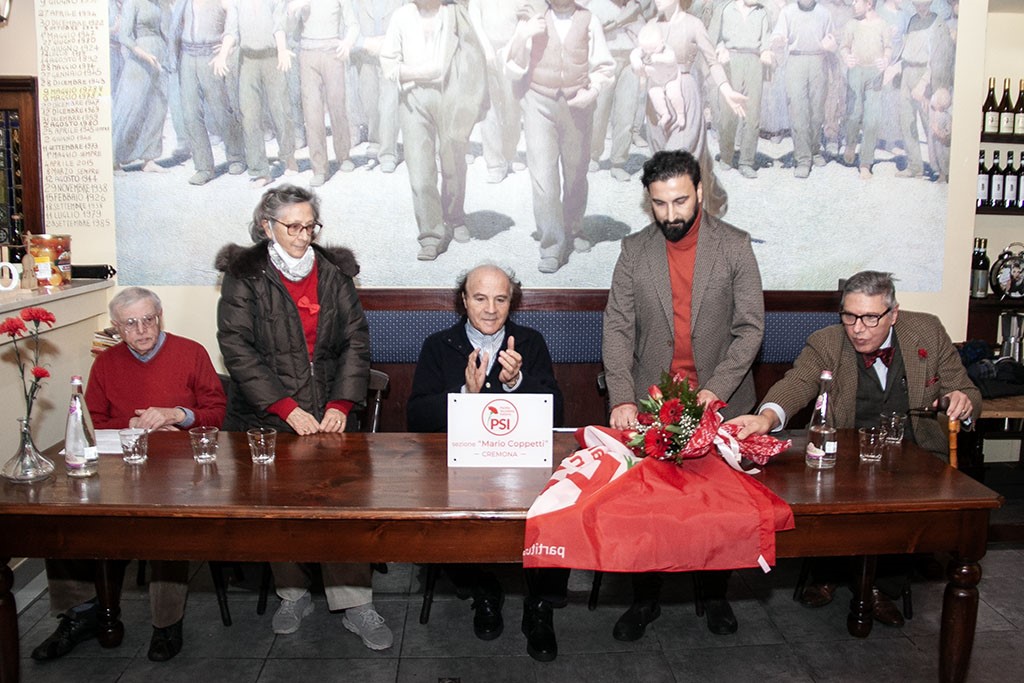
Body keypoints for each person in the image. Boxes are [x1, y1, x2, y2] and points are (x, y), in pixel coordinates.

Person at [726, 270, 981, 625]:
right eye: (849, 316)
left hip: (915, 457)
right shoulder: (827, 342)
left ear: (893, 314)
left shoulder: (927, 332)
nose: (858, 329)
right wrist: (766, 418)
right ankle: (830, 571)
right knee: (833, 492)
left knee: (904, 503)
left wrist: (961, 402)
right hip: (845, 458)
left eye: (870, 318)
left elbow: (967, 392)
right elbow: (797, 383)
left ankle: (883, 586)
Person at [215, 185, 393, 651]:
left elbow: (356, 341)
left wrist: (340, 404)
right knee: (281, 513)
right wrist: (286, 408)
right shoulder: (245, 275)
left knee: (344, 510)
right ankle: (292, 595)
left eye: (310, 226)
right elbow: (237, 348)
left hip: (330, 415)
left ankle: (356, 604)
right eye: (292, 226)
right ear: (266, 226)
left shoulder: (333, 272)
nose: (302, 235)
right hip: (269, 417)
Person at [602, 148, 764, 640]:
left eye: (679, 201)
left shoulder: (735, 246)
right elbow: (617, 329)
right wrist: (622, 396)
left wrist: (715, 390)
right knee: (649, 510)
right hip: (652, 403)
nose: (670, 214)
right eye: (659, 204)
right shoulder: (634, 251)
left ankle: (714, 594)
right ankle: (644, 600)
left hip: (721, 400)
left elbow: (750, 329)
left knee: (717, 508)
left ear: (699, 191)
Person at [30, 287, 226, 664]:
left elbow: (217, 411)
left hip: (179, 469)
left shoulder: (190, 352)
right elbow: (92, 420)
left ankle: (166, 623)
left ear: (159, 317)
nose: (142, 330)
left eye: (149, 319)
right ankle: (81, 613)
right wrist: (132, 426)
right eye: (131, 323)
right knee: (63, 518)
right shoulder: (106, 363)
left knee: (166, 524)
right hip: (120, 466)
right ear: (117, 328)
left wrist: (176, 415)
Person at [407, 263, 564, 650]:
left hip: (521, 462)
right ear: (464, 300)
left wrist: (517, 384)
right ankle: (483, 589)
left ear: (512, 303)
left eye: (500, 299)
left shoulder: (530, 342)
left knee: (560, 505)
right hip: (459, 467)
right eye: (480, 298)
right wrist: (465, 395)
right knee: (435, 516)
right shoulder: (438, 345)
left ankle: (540, 604)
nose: (491, 309)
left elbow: (557, 413)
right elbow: (417, 416)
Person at [505, 0, 615, 274]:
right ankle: (552, 245)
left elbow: (604, 66)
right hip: (539, 104)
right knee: (543, 178)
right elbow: (512, 67)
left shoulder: (589, 19)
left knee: (576, 173)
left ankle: (573, 228)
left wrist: (593, 91)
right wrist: (523, 35)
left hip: (578, 104)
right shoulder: (532, 18)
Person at [379, 0, 487, 261]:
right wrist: (421, 72)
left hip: (450, 96)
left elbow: (474, 56)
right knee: (419, 171)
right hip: (413, 98)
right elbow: (389, 63)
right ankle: (430, 235)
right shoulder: (401, 16)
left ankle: (455, 217)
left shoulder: (454, 14)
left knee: (453, 164)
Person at [167, 0, 247, 186]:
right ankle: (203, 167)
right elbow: (175, 29)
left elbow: (234, 23)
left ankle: (236, 157)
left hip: (211, 57)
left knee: (222, 111)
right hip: (187, 58)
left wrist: (227, 49)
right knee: (190, 114)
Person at [770, 0, 837, 179]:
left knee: (817, 112)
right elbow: (777, 36)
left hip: (819, 62)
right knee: (798, 111)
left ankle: (814, 150)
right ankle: (803, 159)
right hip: (796, 60)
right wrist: (778, 40)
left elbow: (833, 40)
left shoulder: (824, 13)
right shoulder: (787, 12)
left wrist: (832, 45)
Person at [708, 0, 772, 179]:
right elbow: (713, 39)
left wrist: (766, 51)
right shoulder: (725, 9)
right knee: (727, 113)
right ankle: (726, 156)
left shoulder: (762, 12)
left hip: (754, 62)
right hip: (730, 61)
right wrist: (720, 49)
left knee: (752, 114)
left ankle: (746, 161)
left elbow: (766, 41)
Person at [839, 0, 892, 180]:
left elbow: (888, 48)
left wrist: (886, 59)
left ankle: (865, 163)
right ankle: (850, 144)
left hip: (874, 75)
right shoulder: (852, 24)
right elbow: (844, 47)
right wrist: (846, 57)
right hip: (855, 73)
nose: (853, 4)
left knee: (872, 119)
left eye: (857, 1)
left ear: (869, 4)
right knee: (854, 114)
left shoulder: (882, 25)